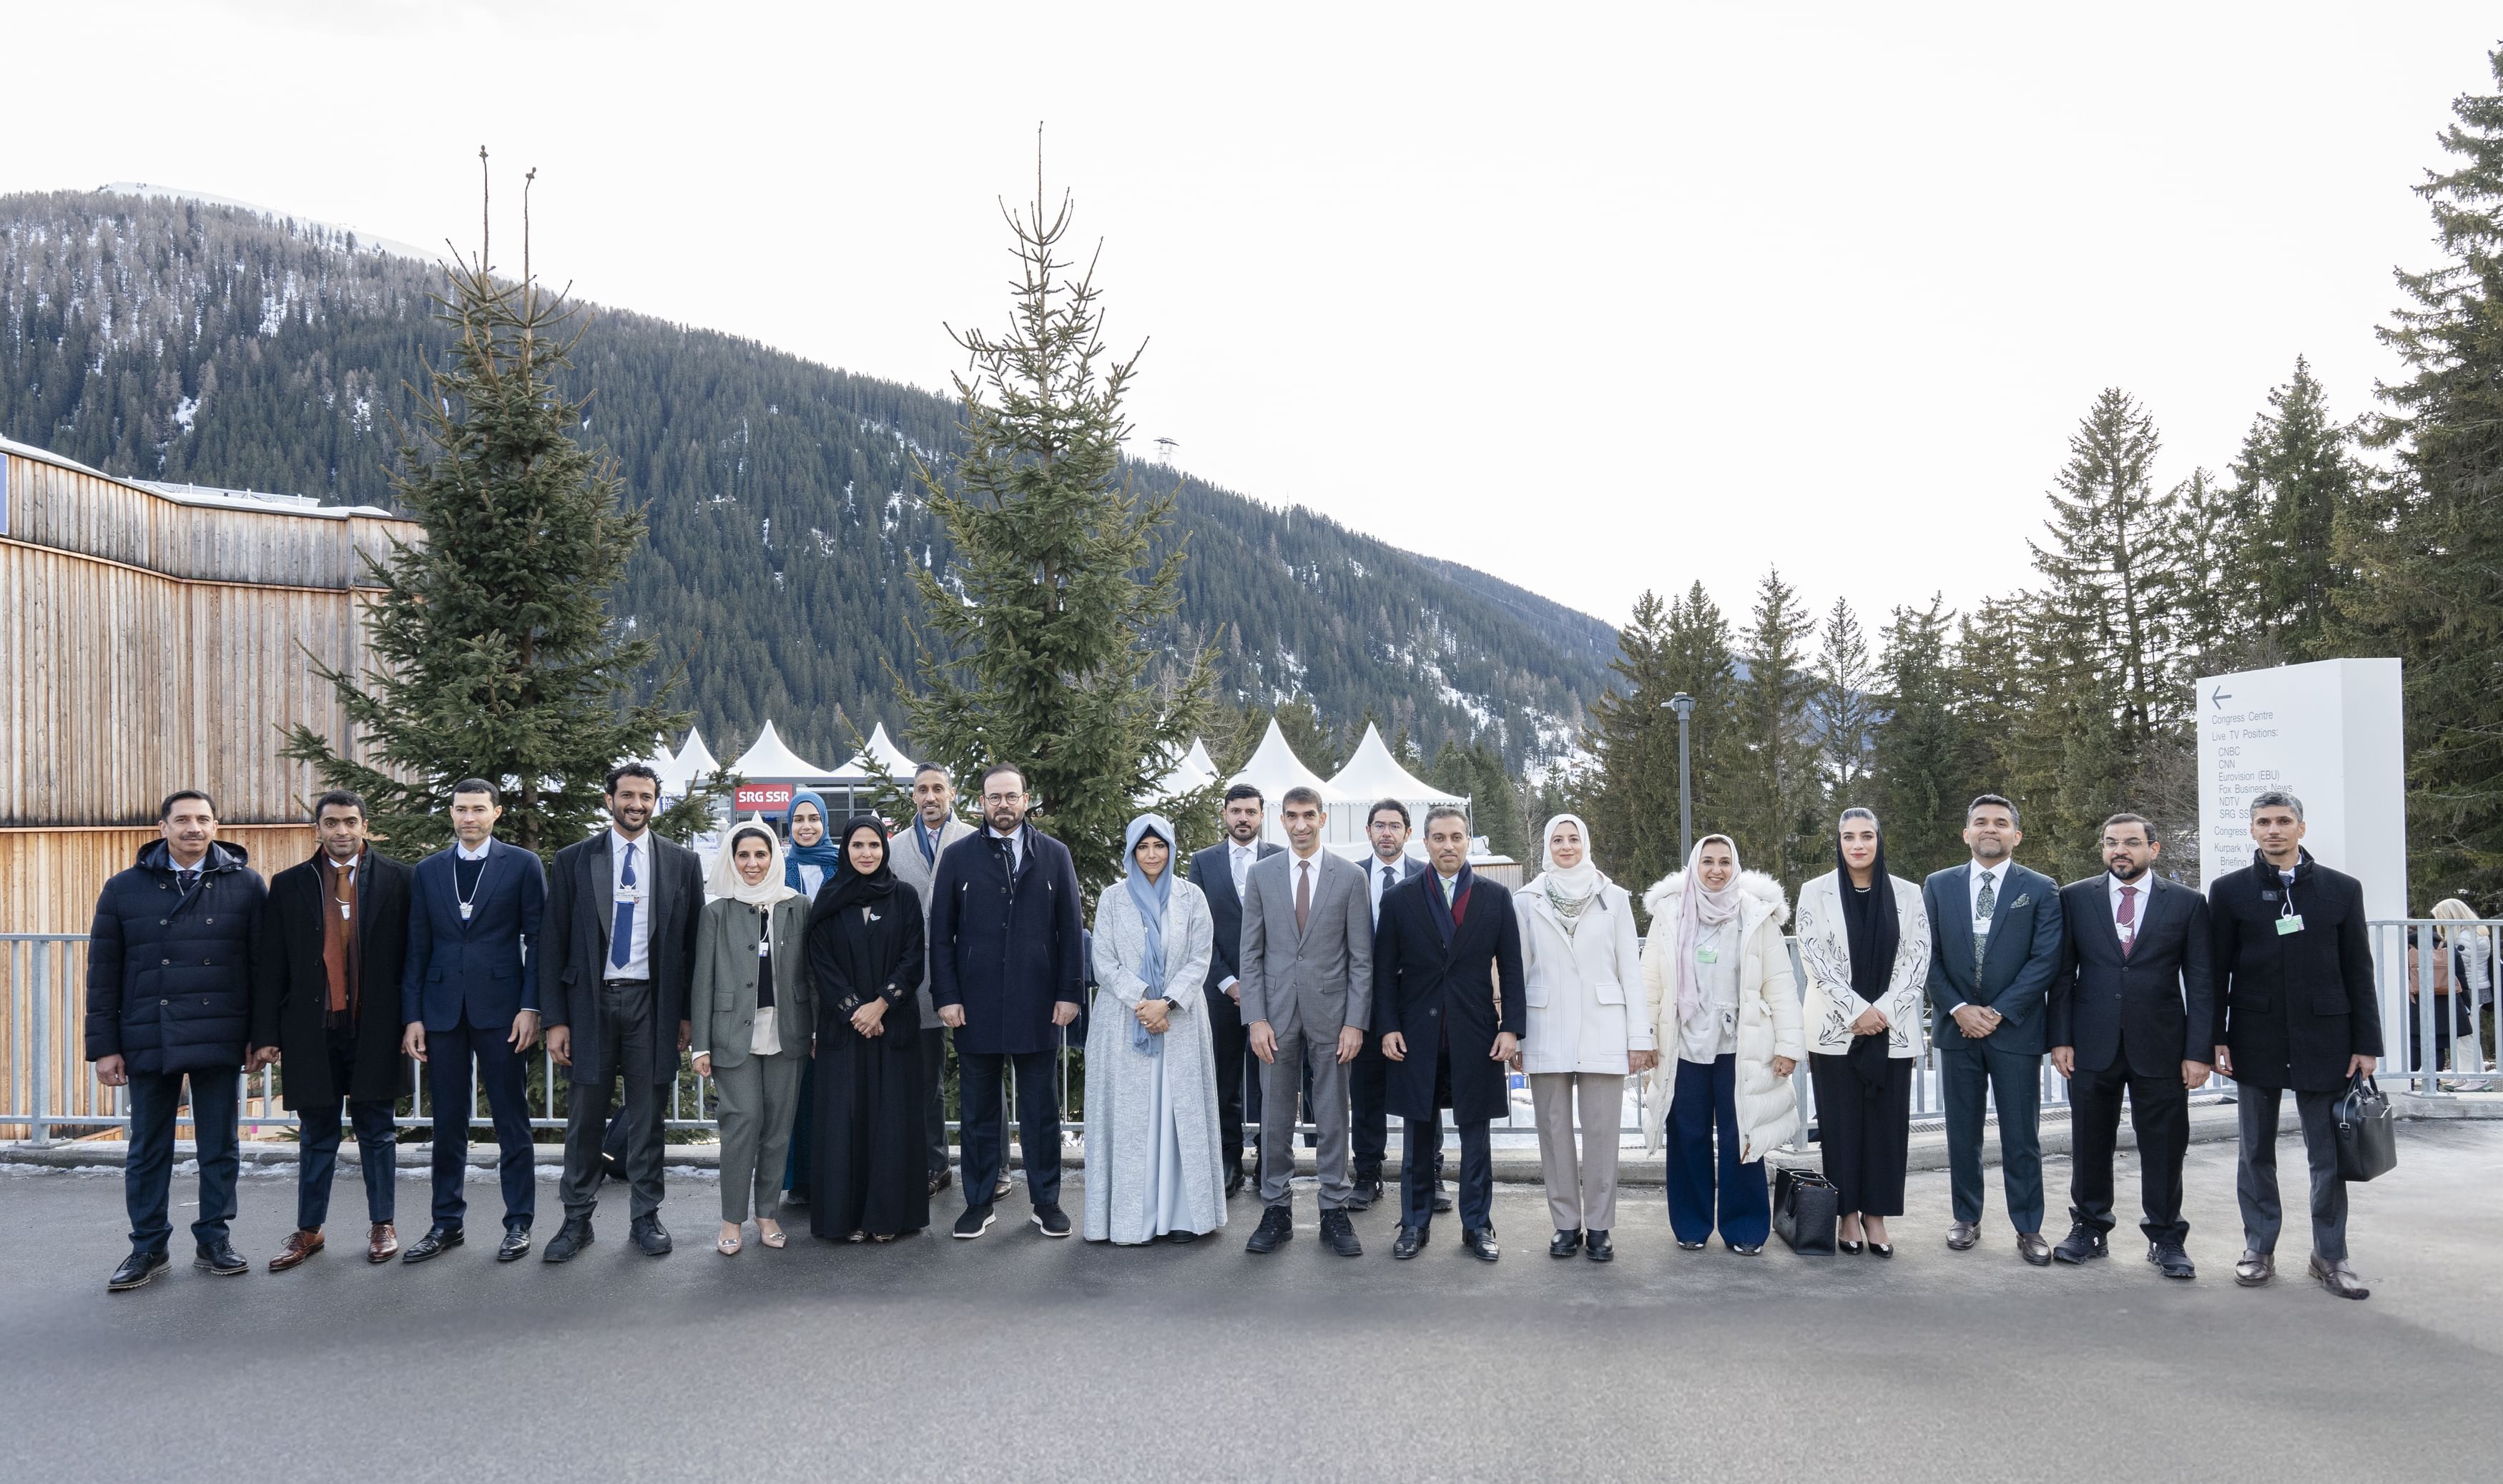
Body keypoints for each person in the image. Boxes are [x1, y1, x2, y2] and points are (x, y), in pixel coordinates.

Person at [87, 790, 267, 1292]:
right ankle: (148, 1245)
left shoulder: (247, 884)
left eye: (203, 819)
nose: (194, 827)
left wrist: (261, 1035)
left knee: (219, 1144)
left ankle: (215, 1238)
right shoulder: (124, 888)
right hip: (149, 1031)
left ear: (216, 826)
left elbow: (262, 967)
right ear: (162, 827)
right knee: (148, 1147)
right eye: (183, 819)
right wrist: (105, 1046)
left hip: (220, 1028)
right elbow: (103, 972)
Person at [2211, 790, 2381, 1299]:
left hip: (2326, 1039)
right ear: (2252, 830)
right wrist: (2215, 1037)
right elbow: (2214, 973)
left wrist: (2366, 1043)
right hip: (2254, 1038)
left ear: (2301, 829)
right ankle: (2258, 1248)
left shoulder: (2341, 889)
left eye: (2283, 821)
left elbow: (2359, 969)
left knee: (2327, 1156)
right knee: (2255, 1151)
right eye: (2264, 821)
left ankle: (2330, 1255)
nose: (2274, 830)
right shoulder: (2229, 891)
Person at [540, 763, 704, 1262]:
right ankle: (576, 1220)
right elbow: (552, 941)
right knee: (584, 1119)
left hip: (652, 1005)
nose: (637, 804)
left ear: (656, 801)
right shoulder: (574, 860)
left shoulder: (681, 862)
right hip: (589, 1004)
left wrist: (686, 1015)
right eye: (628, 795)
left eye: (646, 796)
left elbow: (693, 946)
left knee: (647, 1118)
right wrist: (556, 1019)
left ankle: (645, 1217)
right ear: (608, 798)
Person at [248, 790, 413, 1270]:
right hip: (311, 1027)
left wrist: (414, 1021)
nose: (342, 831)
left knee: (377, 1130)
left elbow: (415, 957)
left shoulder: (400, 879)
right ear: (317, 828)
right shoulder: (289, 884)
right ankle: (309, 1229)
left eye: (350, 822)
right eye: (332, 822)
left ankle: (383, 1223)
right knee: (317, 1132)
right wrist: (266, 1033)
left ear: (365, 826)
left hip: (377, 1026)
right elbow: (272, 965)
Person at [2046, 814, 2213, 1279]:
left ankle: (2166, 1237)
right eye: (2111, 842)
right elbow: (2062, 974)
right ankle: (2089, 1228)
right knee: (2089, 1142)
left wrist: (2198, 1051)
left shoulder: (2187, 903)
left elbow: (2202, 982)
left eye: (2132, 842)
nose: (2120, 850)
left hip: (2162, 1046)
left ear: (2153, 849)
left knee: (2165, 1146)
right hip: (2090, 1044)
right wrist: (2060, 1038)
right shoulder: (2075, 898)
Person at [928, 764, 1084, 1239]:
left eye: (1011, 796)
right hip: (974, 1004)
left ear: (1025, 799)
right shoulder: (958, 857)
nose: (1003, 805)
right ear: (981, 802)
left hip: (1038, 1003)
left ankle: (1046, 1202)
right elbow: (941, 934)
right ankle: (978, 1203)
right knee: (977, 1111)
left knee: (1041, 1110)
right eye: (994, 797)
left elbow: (1070, 929)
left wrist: (1069, 992)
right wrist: (947, 996)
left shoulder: (1054, 854)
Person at [400, 780, 546, 1264]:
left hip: (503, 1009)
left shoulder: (521, 865)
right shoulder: (429, 870)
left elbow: (539, 941)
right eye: (461, 809)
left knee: (511, 1118)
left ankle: (519, 1222)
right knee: (447, 1121)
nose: (469, 817)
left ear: (496, 813)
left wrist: (531, 1007)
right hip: (442, 1010)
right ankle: (446, 1223)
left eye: (479, 809)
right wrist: (413, 1016)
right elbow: (417, 947)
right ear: (451, 812)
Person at [1375, 805, 1525, 1262]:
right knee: (1418, 1137)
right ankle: (1414, 1223)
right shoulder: (1399, 898)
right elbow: (1384, 972)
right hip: (1417, 1034)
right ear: (1424, 842)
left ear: (1468, 842)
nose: (1448, 846)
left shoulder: (1494, 898)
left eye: (1456, 837)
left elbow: (1512, 968)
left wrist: (1512, 1028)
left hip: (1475, 1033)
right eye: (1439, 838)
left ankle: (1477, 1225)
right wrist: (1388, 1027)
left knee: (1476, 1139)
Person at [1640, 835, 1801, 1256]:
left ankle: (1744, 1227)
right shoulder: (1670, 913)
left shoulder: (1756, 914)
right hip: (1683, 1045)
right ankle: (1690, 1225)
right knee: (1686, 1135)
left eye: (1725, 862)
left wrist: (1789, 1045)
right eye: (1708, 861)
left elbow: (1780, 985)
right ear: (1694, 866)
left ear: (1736, 867)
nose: (1716, 870)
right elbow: (1650, 983)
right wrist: (1645, 1038)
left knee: (1741, 1136)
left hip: (1741, 1046)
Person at [1922, 793, 2065, 1265]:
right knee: (1962, 1132)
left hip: (2016, 1031)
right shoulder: (1938, 885)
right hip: (1957, 1029)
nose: (1990, 828)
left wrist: (1998, 1011)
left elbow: (2046, 959)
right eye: (1981, 821)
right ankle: (1966, 1216)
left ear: (2016, 835)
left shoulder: (2040, 888)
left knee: (2021, 1135)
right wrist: (1960, 1008)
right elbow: (1926, 954)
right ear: (1966, 833)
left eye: (2001, 823)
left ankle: (2028, 1226)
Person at [1238, 785, 1375, 1257]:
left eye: (1309, 815)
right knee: (1275, 1115)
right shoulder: (1261, 875)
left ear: (1322, 818)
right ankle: (1276, 1209)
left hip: (1333, 1017)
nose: (1300, 824)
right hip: (1274, 1017)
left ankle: (1334, 1208)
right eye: (1292, 816)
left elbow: (1361, 958)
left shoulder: (1351, 877)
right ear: (1281, 820)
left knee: (1333, 1115)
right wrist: (1255, 1017)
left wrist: (1355, 1022)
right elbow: (1251, 953)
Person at [1794, 809, 1930, 1258]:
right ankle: (1847, 1214)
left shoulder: (1908, 893)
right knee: (1840, 1126)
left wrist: (1882, 1012)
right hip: (1835, 1031)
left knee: (1887, 1128)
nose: (1858, 845)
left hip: (1892, 1032)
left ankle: (1877, 1216)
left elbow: (1917, 958)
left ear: (1879, 840)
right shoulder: (1815, 892)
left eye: (1867, 836)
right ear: (1839, 842)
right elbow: (1814, 959)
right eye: (1849, 837)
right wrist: (1857, 1011)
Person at [1514, 812, 1649, 1262]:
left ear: (1585, 843)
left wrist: (1639, 1036)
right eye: (1558, 839)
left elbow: (1631, 971)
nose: (1567, 846)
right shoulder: (1527, 899)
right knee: (1553, 1130)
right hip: (1546, 1025)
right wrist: (1515, 1034)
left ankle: (1600, 1226)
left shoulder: (1614, 898)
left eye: (1574, 838)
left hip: (1603, 1025)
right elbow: (1517, 970)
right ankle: (1566, 1224)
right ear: (1547, 846)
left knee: (1602, 1131)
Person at [1083, 813, 1224, 1244]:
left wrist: (1168, 1002)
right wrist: (1145, 1000)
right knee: (1131, 1121)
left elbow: (1200, 957)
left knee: (1179, 1115)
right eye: (1142, 847)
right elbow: (1103, 961)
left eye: (1159, 846)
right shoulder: (1113, 898)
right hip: (1123, 1022)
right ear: (1131, 851)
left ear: (1171, 849)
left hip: (1180, 1022)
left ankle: (1182, 1216)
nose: (1151, 855)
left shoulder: (1191, 897)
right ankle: (1131, 1221)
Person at [689, 821, 813, 1256]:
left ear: (774, 857)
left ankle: (767, 1214)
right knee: (742, 1123)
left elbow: (812, 973)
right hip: (731, 1034)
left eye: (761, 854)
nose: (753, 863)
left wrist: (815, 1028)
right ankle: (731, 1219)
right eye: (743, 855)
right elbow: (702, 980)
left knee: (778, 1129)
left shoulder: (798, 905)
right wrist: (700, 1044)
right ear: (732, 859)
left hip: (788, 1032)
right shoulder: (716, 913)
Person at [805, 817, 930, 1242]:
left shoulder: (904, 896)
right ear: (845, 850)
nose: (866, 853)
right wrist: (854, 1010)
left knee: (891, 1122)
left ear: (885, 849)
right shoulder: (829, 897)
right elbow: (819, 960)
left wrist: (879, 1006)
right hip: (845, 1031)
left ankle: (888, 1218)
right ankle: (847, 1219)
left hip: (892, 1027)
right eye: (857, 845)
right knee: (847, 1122)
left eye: (874, 845)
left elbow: (913, 958)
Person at [1186, 783, 1282, 1198]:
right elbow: (1196, 930)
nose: (1243, 818)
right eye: (1236, 811)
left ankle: (1269, 1160)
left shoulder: (1281, 858)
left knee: (1271, 1081)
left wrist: (1261, 983)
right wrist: (1228, 982)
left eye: (1251, 811)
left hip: (1273, 992)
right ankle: (1228, 1161)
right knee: (1223, 1081)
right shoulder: (1203, 862)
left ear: (1262, 815)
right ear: (1225, 814)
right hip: (1220, 993)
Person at [887, 764, 978, 1197]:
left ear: (952, 793)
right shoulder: (895, 848)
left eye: (938, 788)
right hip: (917, 979)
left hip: (970, 975)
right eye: (922, 789)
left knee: (982, 1075)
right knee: (926, 1082)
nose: (930, 797)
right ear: (913, 796)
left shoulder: (974, 840)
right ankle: (935, 1165)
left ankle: (994, 1166)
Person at [1349, 797, 1429, 1213]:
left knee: (1423, 1086)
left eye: (1394, 826)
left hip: (1416, 1000)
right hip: (1363, 999)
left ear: (1408, 833)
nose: (1386, 833)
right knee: (1366, 1090)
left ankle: (1430, 1173)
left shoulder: (1427, 876)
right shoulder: (1349, 877)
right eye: (1379, 825)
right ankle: (1368, 1173)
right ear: (1368, 831)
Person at [779, 789, 839, 1206]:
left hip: (837, 987)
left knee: (833, 1087)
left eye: (813, 818)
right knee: (798, 1089)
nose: (806, 826)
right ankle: (800, 1178)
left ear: (824, 822)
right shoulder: (779, 869)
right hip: (793, 990)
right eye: (798, 819)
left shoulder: (843, 864)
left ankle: (834, 1175)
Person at [2427, 898, 2493, 1090]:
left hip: (2470, 991)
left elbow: (2456, 963)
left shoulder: (2464, 938)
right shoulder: (2475, 933)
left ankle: (2477, 1078)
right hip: (2475, 989)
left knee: (2467, 1036)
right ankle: (2465, 1076)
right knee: (2461, 1035)